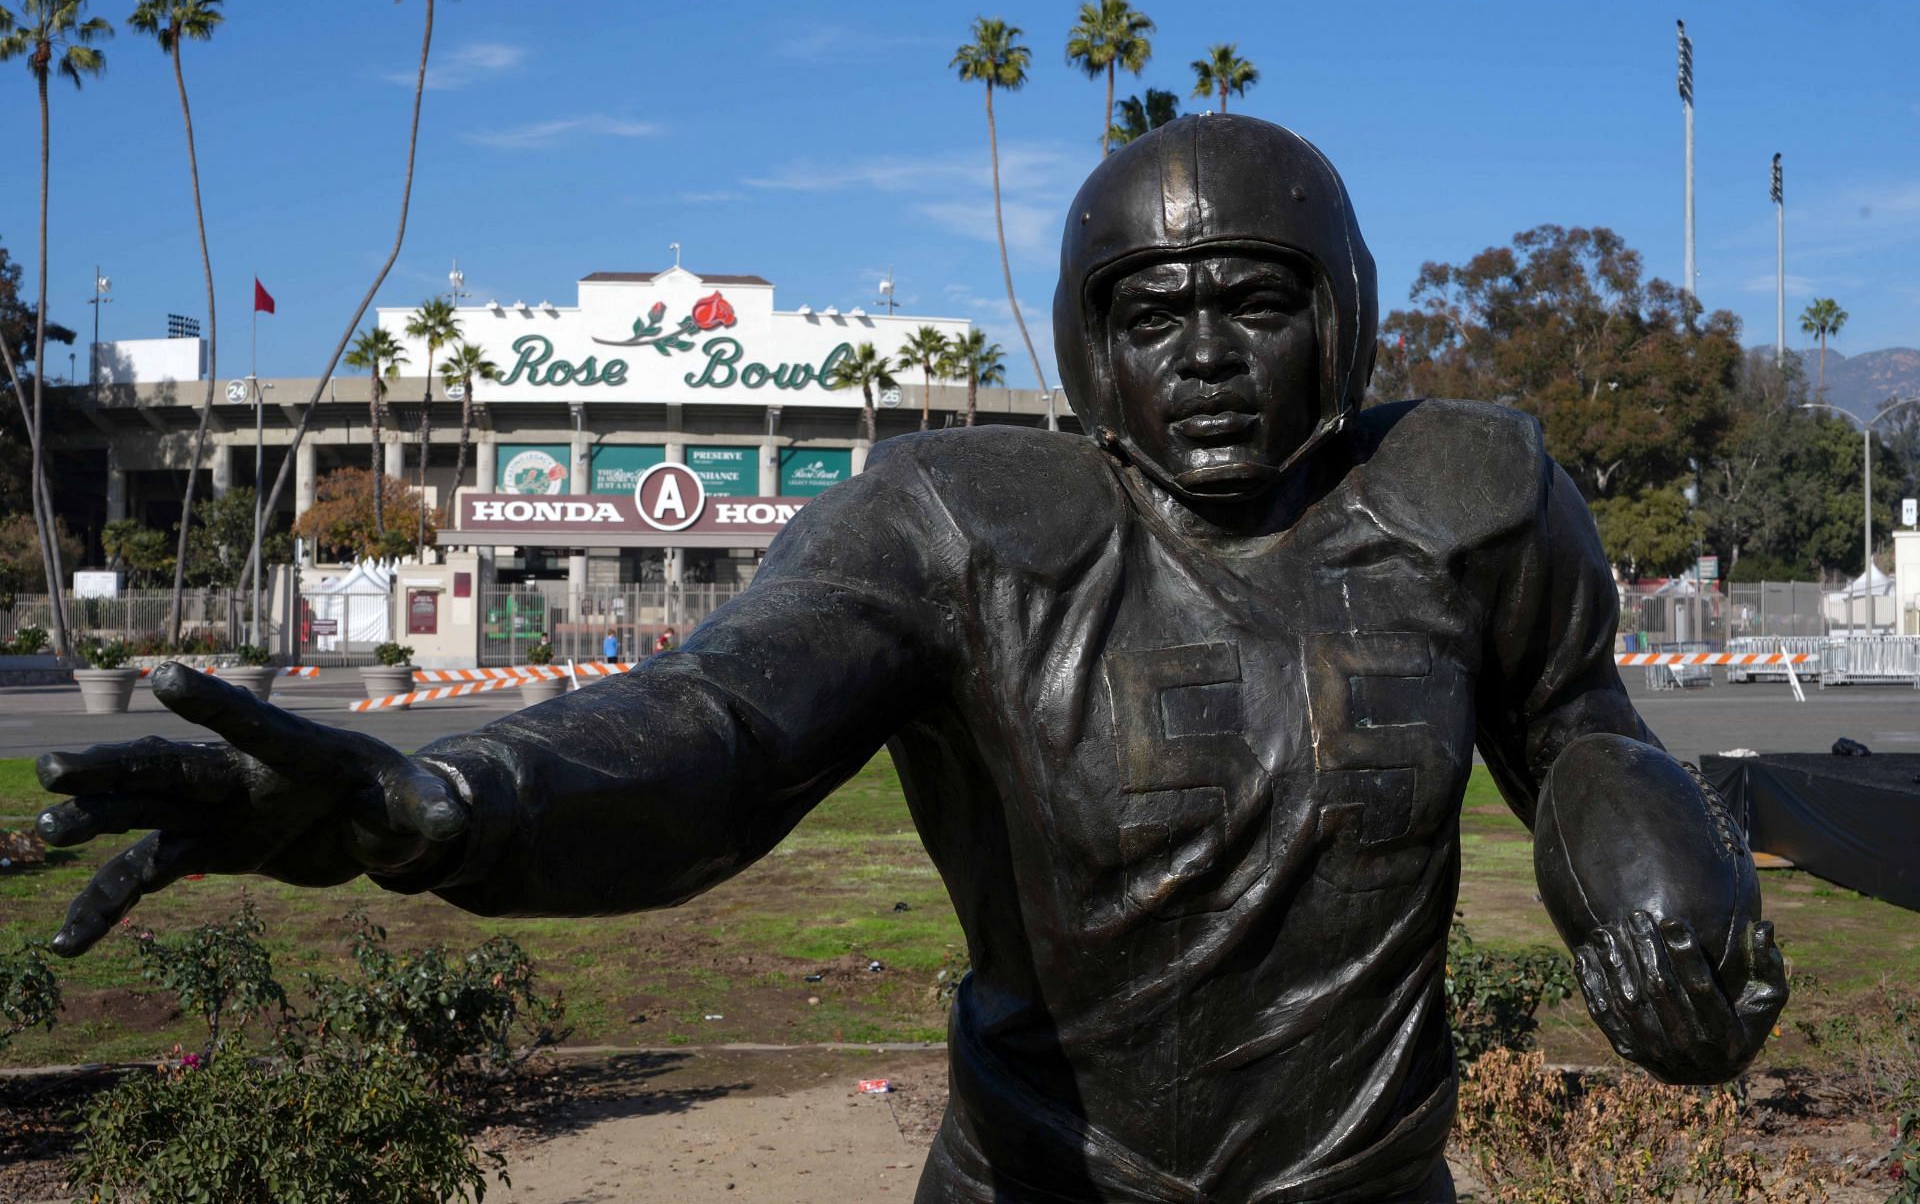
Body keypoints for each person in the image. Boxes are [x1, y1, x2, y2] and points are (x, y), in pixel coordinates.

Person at [34, 116, 1784, 1203]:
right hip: (1047, 1175)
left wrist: (1670, 906)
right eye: (1151, 314)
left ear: (1343, 308)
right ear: (1085, 341)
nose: (1206, 357)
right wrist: (444, 803)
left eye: (1252, 300)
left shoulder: (1468, 500)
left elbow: (1573, 726)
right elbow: (716, 724)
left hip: (1366, 1181)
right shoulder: (953, 518)